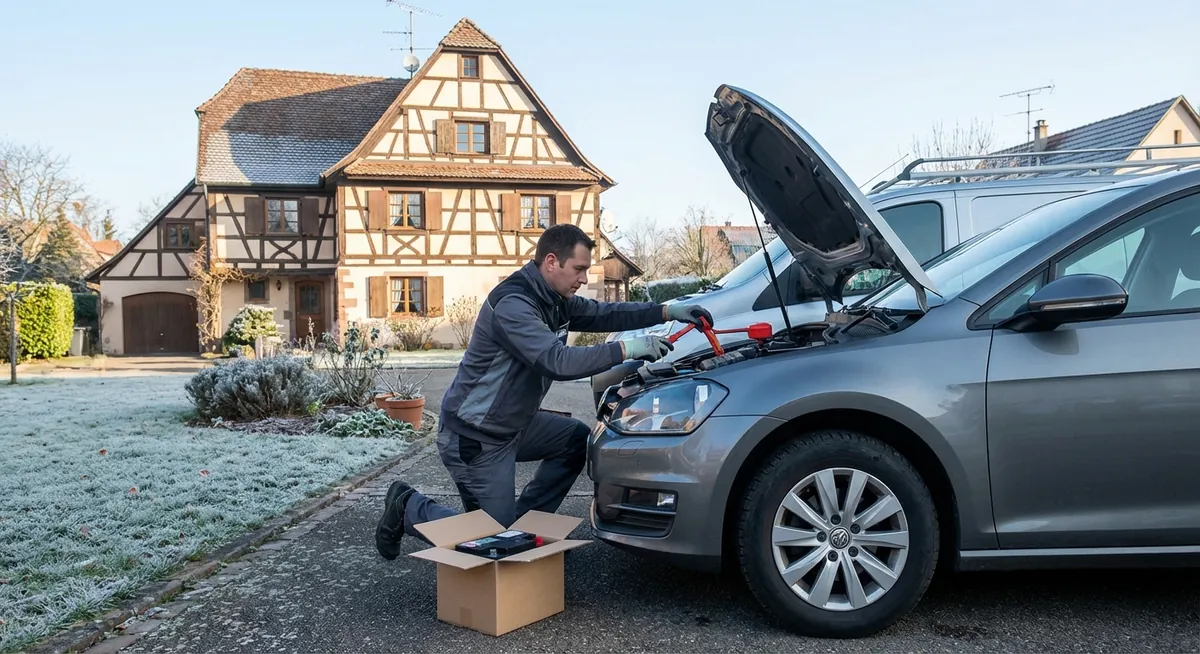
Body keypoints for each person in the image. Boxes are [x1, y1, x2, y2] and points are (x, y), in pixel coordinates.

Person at [374, 223, 712, 559]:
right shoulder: (514, 303)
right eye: (578, 269)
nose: (583, 278)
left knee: (575, 440)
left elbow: (606, 313)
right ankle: (409, 508)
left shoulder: (556, 298)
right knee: (490, 544)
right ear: (552, 262)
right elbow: (556, 361)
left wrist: (667, 311)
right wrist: (627, 350)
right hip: (476, 436)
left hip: (515, 426)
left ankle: (521, 526)